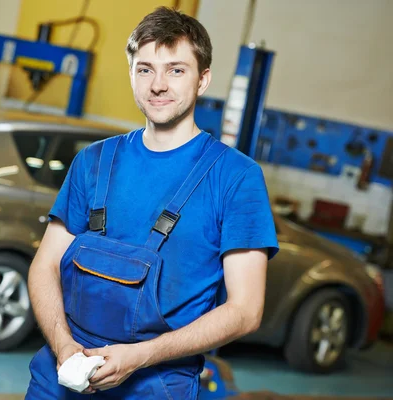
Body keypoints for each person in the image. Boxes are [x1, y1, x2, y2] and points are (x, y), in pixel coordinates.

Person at [26, 6, 279, 399]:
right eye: (145, 69)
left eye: (176, 70)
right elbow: (45, 265)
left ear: (203, 79)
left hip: (155, 385)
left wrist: (140, 357)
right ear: (132, 74)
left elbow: (246, 310)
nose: (158, 84)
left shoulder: (236, 178)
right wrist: (62, 346)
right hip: (60, 378)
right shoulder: (93, 161)